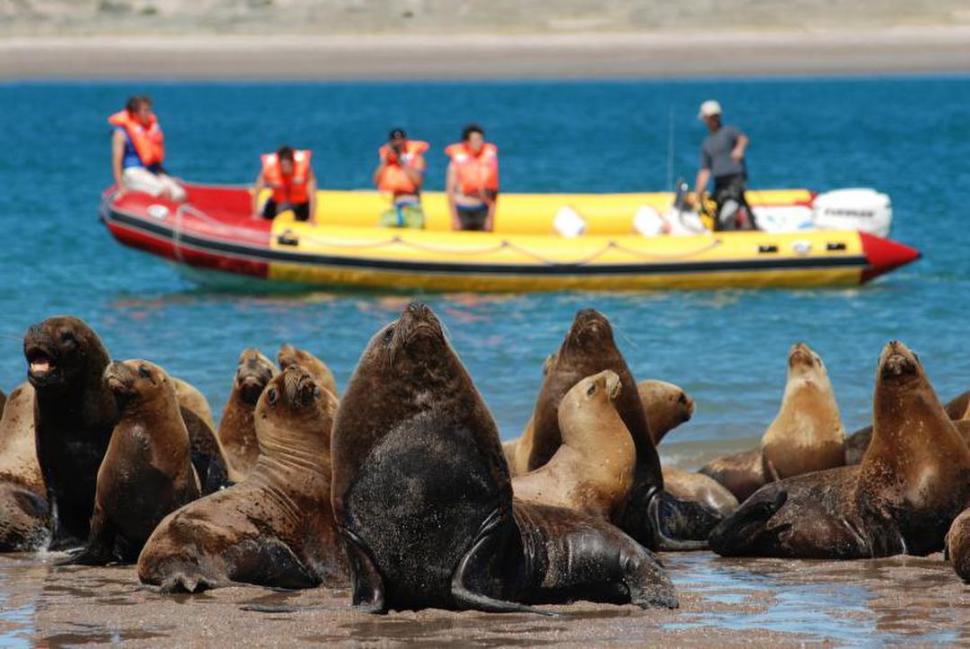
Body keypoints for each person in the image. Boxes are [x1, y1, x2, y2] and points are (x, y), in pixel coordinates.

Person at [109, 95, 186, 202]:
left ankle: (175, 217)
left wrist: (166, 176)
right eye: (145, 111)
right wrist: (121, 187)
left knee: (180, 194)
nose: (149, 114)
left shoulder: (149, 130)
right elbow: (116, 162)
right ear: (134, 113)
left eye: (149, 110)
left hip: (151, 172)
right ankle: (159, 215)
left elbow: (153, 158)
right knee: (164, 191)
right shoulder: (121, 134)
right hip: (133, 172)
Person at [692, 100, 755, 231]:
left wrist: (739, 149)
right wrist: (698, 193)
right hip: (719, 183)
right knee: (718, 217)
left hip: (735, 179)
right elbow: (704, 170)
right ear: (705, 119)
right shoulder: (707, 143)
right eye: (710, 117)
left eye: (715, 116)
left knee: (731, 209)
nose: (713, 119)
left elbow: (743, 139)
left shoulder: (729, 131)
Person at [445, 124, 499, 232]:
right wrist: (455, 218)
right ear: (466, 142)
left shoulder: (489, 160)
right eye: (475, 140)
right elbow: (450, 191)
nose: (479, 143)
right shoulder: (456, 162)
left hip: (482, 209)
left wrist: (490, 218)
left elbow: (494, 192)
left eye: (480, 139)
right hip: (462, 210)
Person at [373, 128, 428, 229]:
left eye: (400, 140)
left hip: (413, 207)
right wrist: (385, 161)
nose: (397, 143)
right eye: (394, 140)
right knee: (380, 228)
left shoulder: (416, 158)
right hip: (395, 207)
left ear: (405, 141)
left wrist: (401, 162)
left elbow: (418, 181)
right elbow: (376, 180)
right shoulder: (388, 161)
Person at [251, 146, 317, 224]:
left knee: (304, 218)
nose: (285, 168)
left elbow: (312, 195)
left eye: (288, 165)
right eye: (282, 165)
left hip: (300, 202)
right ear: (278, 163)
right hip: (278, 201)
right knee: (266, 216)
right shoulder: (268, 169)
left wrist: (311, 218)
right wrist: (255, 214)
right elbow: (256, 192)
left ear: (293, 163)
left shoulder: (305, 170)